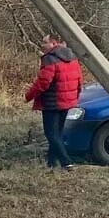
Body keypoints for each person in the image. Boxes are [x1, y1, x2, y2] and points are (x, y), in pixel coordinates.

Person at [25, 35, 82, 170]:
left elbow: (43, 83)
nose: (41, 45)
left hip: (52, 102)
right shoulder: (72, 57)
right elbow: (79, 79)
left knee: (51, 133)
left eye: (44, 42)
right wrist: (75, 96)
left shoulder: (50, 59)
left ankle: (66, 162)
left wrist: (29, 96)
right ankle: (51, 162)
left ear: (54, 43)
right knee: (57, 133)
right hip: (67, 102)